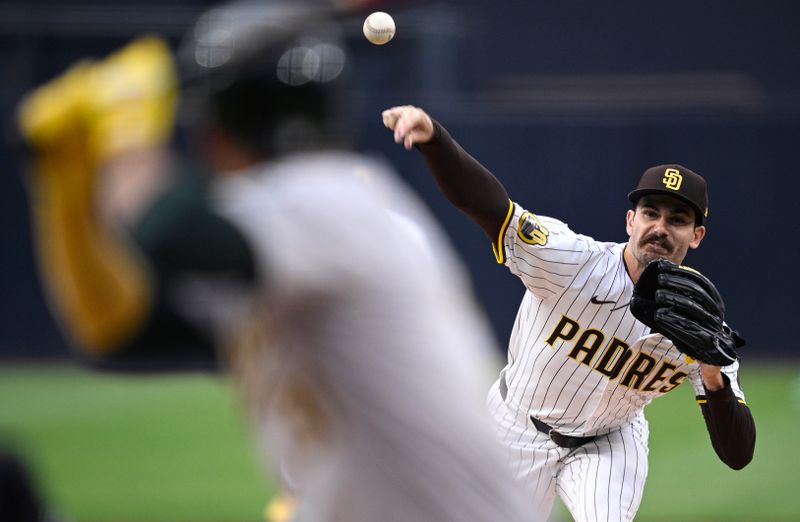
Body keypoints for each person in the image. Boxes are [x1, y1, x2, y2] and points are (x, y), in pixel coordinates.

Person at [15, 2, 533, 521]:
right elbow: (121, 330)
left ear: (217, 126)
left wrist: (125, 132)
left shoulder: (328, 199)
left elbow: (169, 232)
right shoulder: (305, 229)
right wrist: (64, 194)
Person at [382, 105, 756, 521]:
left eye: (678, 219)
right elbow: (491, 209)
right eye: (651, 213)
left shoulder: (701, 328)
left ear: (697, 235)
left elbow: (737, 454)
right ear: (631, 221)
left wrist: (710, 371)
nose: (660, 228)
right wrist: (436, 139)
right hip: (516, 426)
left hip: (609, 443)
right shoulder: (573, 262)